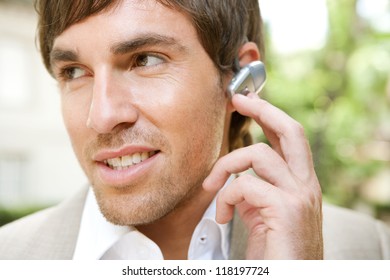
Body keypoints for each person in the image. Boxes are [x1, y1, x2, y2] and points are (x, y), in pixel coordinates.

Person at [0, 0, 389, 260]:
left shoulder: (370, 249)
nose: (101, 116)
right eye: (74, 72)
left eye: (145, 60)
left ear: (240, 78)